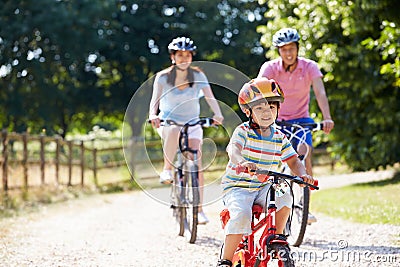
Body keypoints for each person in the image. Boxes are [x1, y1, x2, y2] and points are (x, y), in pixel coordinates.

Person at [217, 78, 313, 267]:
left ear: (278, 109)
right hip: (238, 186)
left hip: (263, 185)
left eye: (271, 107)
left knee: (285, 195)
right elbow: (233, 150)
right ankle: (225, 260)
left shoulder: (279, 137)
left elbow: (293, 160)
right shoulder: (243, 131)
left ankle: (277, 236)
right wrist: (242, 161)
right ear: (248, 112)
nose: (267, 112)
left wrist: (302, 174)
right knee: (242, 214)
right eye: (259, 108)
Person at [257, 27, 334, 223]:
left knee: (304, 151)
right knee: (268, 157)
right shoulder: (270, 68)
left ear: (298, 48)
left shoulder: (310, 67)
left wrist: (327, 117)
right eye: (284, 49)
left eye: (292, 48)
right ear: (279, 51)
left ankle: (303, 206)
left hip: (301, 119)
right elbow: (258, 90)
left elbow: (320, 93)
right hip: (277, 120)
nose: (288, 53)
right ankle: (262, 199)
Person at [148, 36, 224, 224]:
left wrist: (218, 114)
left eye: (187, 55)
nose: (184, 59)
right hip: (168, 123)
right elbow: (155, 100)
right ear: (173, 57)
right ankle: (166, 170)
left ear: (192, 57)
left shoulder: (198, 75)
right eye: (180, 55)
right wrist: (153, 115)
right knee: (173, 131)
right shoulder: (163, 77)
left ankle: (199, 210)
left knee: (196, 163)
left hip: (192, 124)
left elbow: (210, 97)